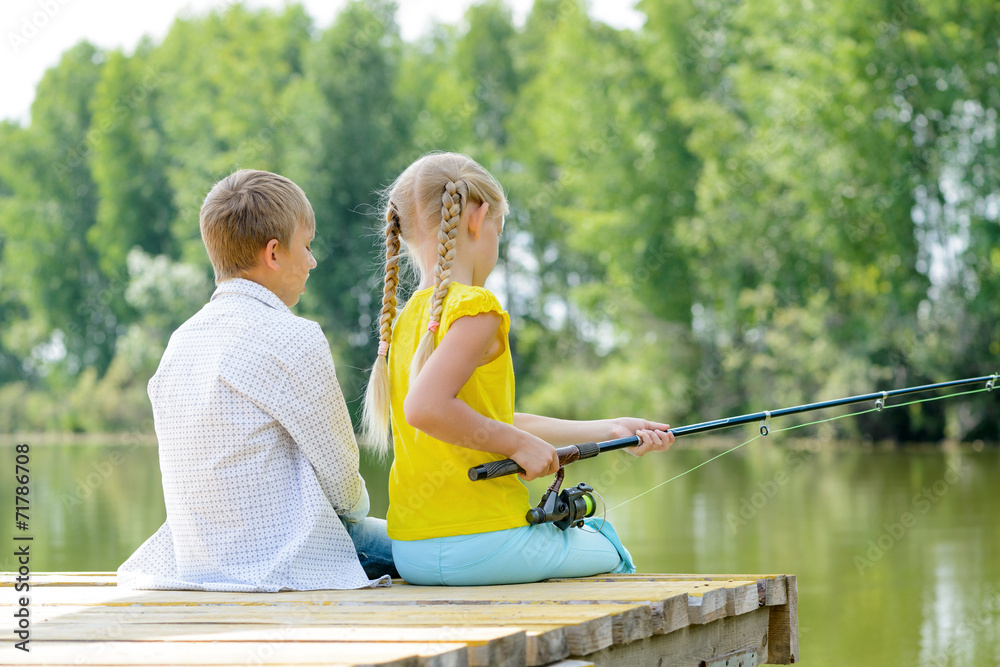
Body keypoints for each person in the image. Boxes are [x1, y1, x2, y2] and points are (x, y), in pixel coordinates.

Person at [361, 152, 674, 586]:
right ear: (478, 217)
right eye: (499, 230)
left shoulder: (402, 322)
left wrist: (608, 429)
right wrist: (517, 444)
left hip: (412, 551)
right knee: (608, 543)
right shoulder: (476, 308)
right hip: (487, 545)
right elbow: (425, 407)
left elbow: (480, 422)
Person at [118, 169, 396, 592]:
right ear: (273, 253)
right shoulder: (294, 337)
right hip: (287, 557)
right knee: (436, 547)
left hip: (198, 562)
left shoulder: (179, 344)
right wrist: (356, 514)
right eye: (306, 246)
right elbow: (343, 482)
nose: (312, 260)